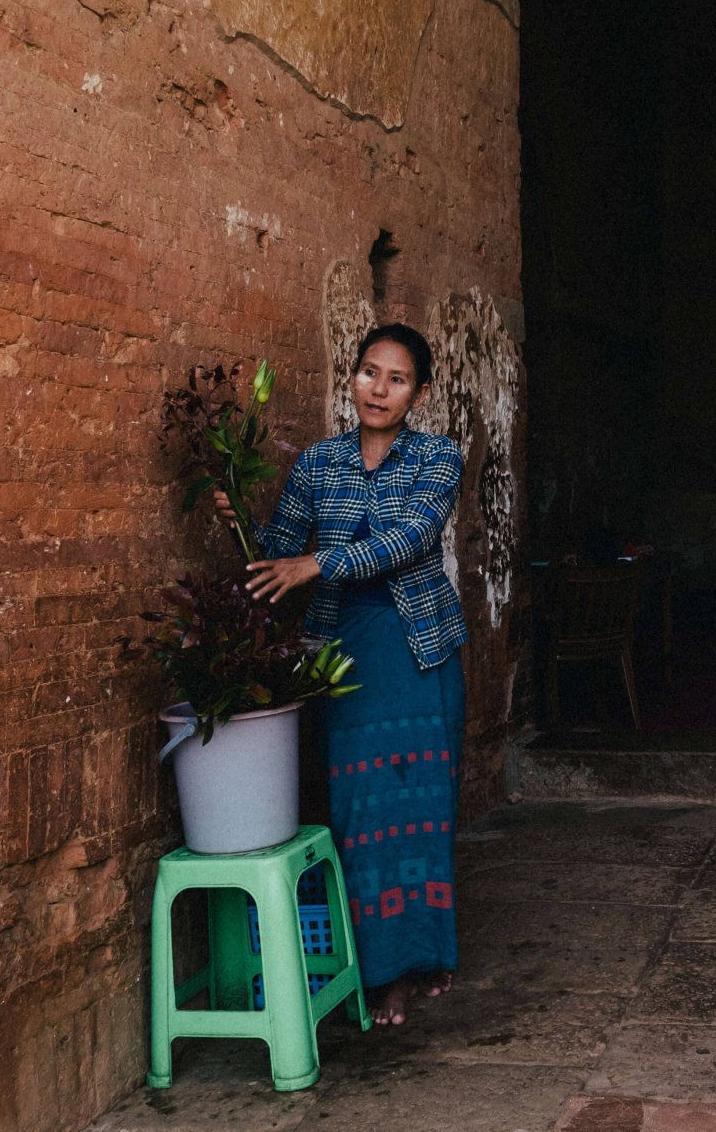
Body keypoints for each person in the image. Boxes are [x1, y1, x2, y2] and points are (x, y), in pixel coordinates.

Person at [217, 323, 466, 1026]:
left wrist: (317, 562)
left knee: (420, 806)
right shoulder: (318, 465)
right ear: (351, 378)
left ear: (418, 392)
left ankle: (425, 953)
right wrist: (240, 523)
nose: (378, 388)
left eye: (396, 379)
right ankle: (381, 968)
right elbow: (278, 552)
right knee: (362, 814)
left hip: (417, 648)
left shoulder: (437, 459)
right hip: (343, 655)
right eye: (368, 372)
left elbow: (410, 538)